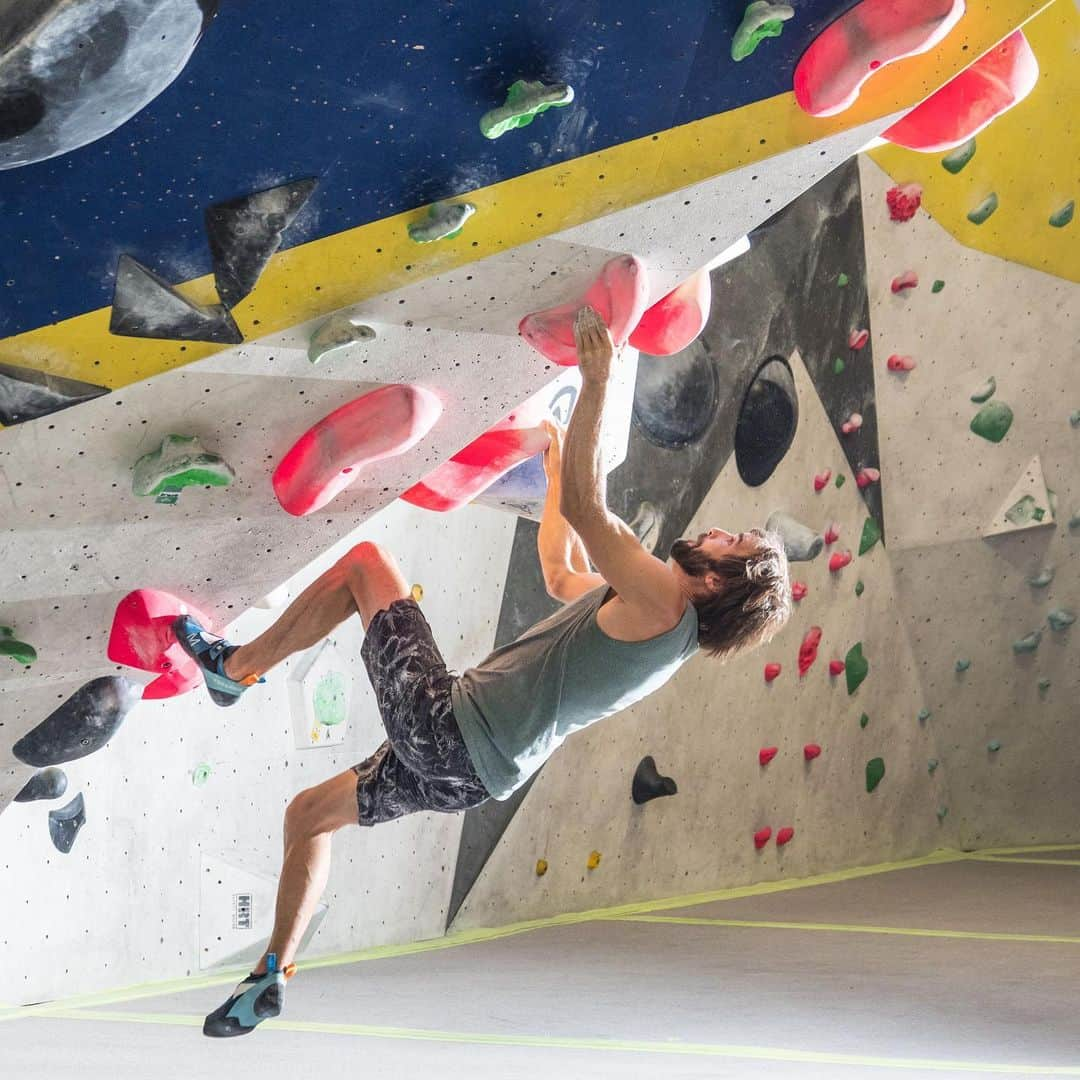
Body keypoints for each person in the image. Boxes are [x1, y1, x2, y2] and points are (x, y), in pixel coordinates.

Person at [176, 306, 792, 1037]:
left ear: (724, 583)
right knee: (309, 816)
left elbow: (594, 511)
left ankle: (235, 669)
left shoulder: (667, 605)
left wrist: (596, 382)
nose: (717, 533)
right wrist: (559, 454)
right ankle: (271, 975)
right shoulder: (655, 623)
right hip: (470, 776)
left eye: (731, 542)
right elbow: (563, 570)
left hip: (452, 732)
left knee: (368, 567)